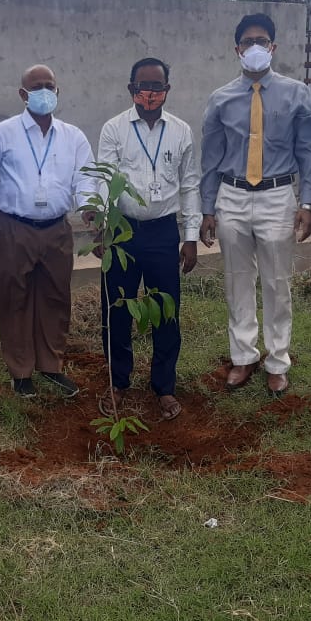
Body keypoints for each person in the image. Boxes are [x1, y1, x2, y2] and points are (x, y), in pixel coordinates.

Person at [200, 12, 311, 395]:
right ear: (237, 49)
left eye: (262, 41)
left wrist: (308, 203)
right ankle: (243, 357)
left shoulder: (296, 93)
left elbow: (309, 152)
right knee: (237, 280)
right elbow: (210, 158)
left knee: (277, 281)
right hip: (232, 194)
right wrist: (207, 209)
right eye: (248, 42)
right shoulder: (220, 99)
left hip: (277, 194)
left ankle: (278, 360)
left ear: (273, 47)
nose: (255, 48)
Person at [94, 57, 201, 420]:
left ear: (167, 90)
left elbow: (189, 184)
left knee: (166, 311)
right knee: (117, 308)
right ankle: (118, 382)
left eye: (157, 87)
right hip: (122, 231)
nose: (150, 93)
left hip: (162, 232)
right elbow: (104, 179)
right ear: (131, 89)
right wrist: (104, 228)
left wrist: (189, 237)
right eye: (143, 86)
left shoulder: (181, 131)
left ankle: (164, 386)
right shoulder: (114, 129)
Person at [0, 64, 94, 398]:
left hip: (58, 229)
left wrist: (89, 209)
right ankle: (20, 371)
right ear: (22, 94)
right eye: (36, 86)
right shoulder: (2, 133)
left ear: (57, 92)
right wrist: (8, 202)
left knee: (56, 296)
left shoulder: (73, 136)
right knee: (14, 296)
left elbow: (85, 178)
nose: (44, 91)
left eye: (49, 85)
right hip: (16, 229)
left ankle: (51, 366)